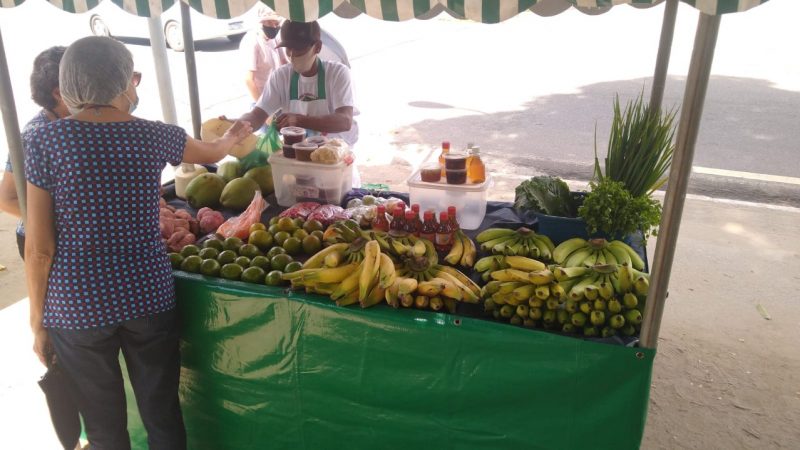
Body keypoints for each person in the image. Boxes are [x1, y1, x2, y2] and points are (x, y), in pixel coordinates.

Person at [24, 36, 251, 450]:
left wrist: (37, 321)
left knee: (103, 423)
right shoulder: (155, 135)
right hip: (147, 294)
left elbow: (40, 248)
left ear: (70, 81)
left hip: (77, 305)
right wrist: (233, 136)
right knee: (161, 411)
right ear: (122, 80)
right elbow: (211, 150)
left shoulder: (45, 141)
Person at [238, 20, 359, 147]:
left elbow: (345, 121)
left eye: (299, 48)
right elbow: (257, 115)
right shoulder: (281, 76)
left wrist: (299, 120)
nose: (292, 54)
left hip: (335, 154)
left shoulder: (338, 73)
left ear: (317, 47)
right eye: (288, 48)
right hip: (299, 153)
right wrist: (236, 126)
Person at [0, 46, 69, 259]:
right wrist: (67, 221)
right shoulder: (36, 136)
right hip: (42, 241)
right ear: (58, 93)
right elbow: (7, 198)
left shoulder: (78, 124)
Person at [239, 6, 287, 103]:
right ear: (261, 22)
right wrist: (260, 106)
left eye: (276, 23)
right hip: (261, 97)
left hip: (276, 96)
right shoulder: (252, 41)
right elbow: (248, 80)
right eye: (269, 22)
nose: (274, 26)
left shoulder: (275, 39)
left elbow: (284, 63)